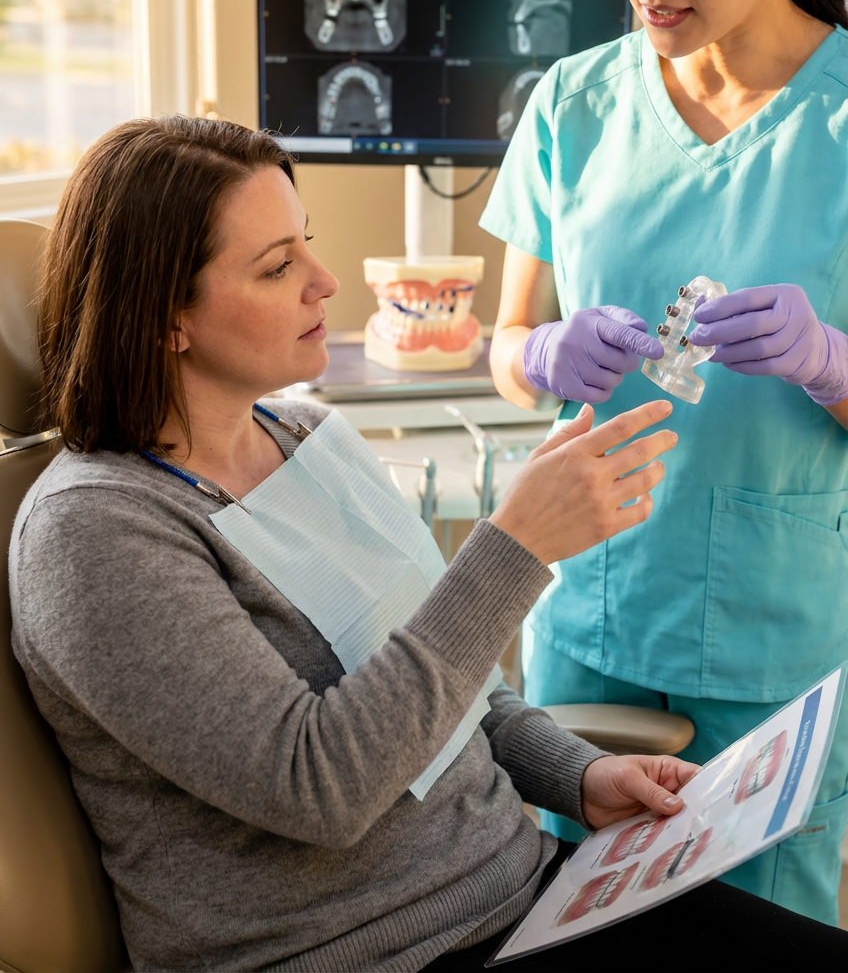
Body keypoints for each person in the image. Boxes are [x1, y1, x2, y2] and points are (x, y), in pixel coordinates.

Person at [9, 116, 846, 971]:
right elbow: (319, 787)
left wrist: (579, 777)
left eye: (307, 244)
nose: (325, 282)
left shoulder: (305, 436)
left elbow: (451, 690)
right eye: (277, 267)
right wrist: (514, 549)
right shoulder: (94, 531)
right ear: (162, 318)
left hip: (523, 897)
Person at [481, 0, 848, 927]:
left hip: (775, 637)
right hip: (582, 611)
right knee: (556, 923)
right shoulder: (570, 103)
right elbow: (503, 345)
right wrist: (540, 354)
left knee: (755, 932)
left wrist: (826, 363)